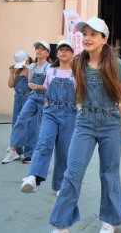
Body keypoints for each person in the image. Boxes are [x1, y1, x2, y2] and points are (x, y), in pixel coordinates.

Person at [49, 17, 121, 233]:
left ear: (104, 39)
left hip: (110, 123)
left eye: (93, 34)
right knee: (72, 173)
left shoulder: (116, 64)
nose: (87, 38)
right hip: (84, 123)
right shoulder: (78, 63)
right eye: (85, 34)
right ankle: (61, 224)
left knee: (109, 173)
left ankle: (110, 220)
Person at [21, 40, 76, 195]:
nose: (64, 52)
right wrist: (46, 106)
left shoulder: (77, 73)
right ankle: (33, 177)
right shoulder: (51, 71)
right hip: (51, 112)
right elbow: (47, 90)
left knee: (64, 151)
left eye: (67, 50)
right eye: (61, 50)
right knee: (44, 143)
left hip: (69, 114)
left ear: (72, 54)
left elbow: (81, 95)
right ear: (57, 53)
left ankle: (60, 185)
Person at [2, 41, 51, 164]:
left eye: (42, 49)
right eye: (37, 49)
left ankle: (32, 153)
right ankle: (14, 149)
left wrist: (37, 86)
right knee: (20, 120)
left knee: (36, 127)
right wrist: (13, 72)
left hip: (42, 98)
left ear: (48, 52)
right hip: (29, 97)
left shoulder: (49, 67)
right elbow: (27, 83)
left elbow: (48, 86)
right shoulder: (31, 67)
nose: (39, 51)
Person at [8, 50, 38, 161]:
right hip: (18, 99)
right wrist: (11, 72)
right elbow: (11, 85)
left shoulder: (32, 69)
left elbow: (33, 84)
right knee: (16, 123)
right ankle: (17, 150)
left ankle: (30, 153)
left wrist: (30, 70)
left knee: (30, 125)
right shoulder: (17, 71)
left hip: (29, 98)